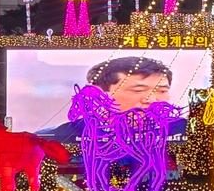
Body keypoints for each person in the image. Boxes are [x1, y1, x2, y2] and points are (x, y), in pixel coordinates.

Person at [41, 57, 180, 144]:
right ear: (101, 95)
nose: (152, 100)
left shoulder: (186, 133)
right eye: (138, 90)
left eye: (162, 91)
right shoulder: (53, 139)